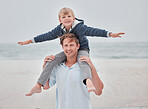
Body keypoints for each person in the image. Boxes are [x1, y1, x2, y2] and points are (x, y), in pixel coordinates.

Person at [18, 7, 124, 96]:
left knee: (83, 61)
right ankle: (38, 85)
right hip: (69, 51)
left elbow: (94, 31)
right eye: (64, 17)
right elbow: (46, 36)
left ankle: (88, 81)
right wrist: (30, 41)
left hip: (82, 49)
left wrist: (110, 34)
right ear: (60, 20)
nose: (67, 18)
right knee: (51, 61)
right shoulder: (59, 29)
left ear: (73, 18)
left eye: (69, 16)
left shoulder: (80, 27)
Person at [45, 33, 104, 109]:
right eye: (66, 45)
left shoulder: (86, 66)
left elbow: (98, 91)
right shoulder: (57, 66)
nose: (68, 48)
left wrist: (91, 66)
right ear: (62, 47)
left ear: (78, 46)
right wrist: (45, 65)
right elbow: (46, 86)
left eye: (71, 45)